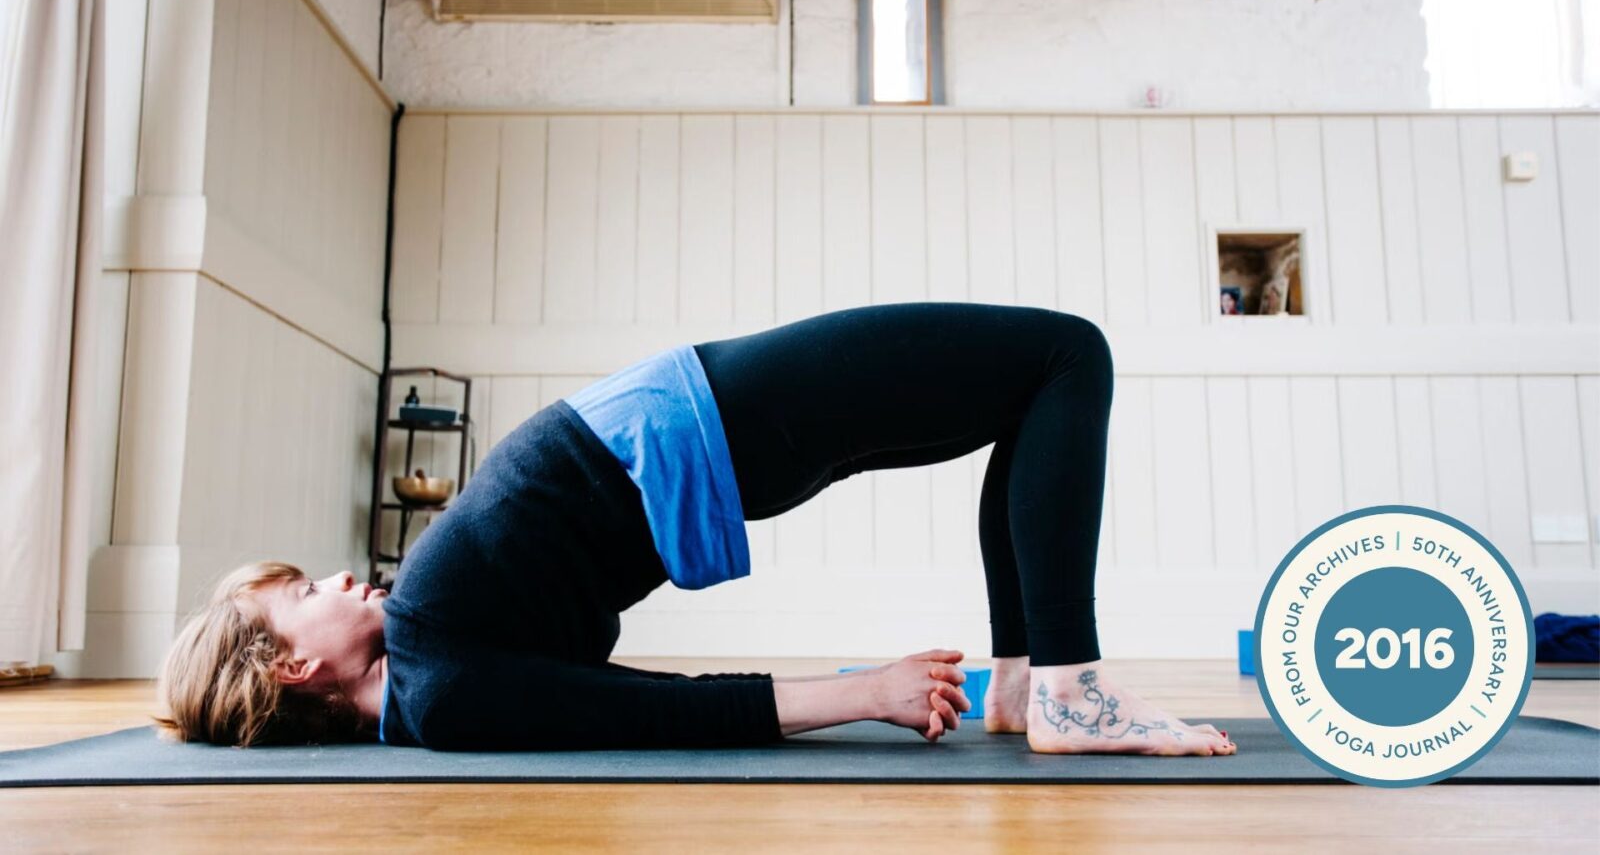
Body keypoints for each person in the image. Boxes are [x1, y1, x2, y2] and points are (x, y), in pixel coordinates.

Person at [154, 302, 1236, 757]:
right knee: (1064, 356)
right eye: (305, 595)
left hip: (699, 430)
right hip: (709, 423)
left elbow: (620, 708)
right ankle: (1067, 688)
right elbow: (651, 713)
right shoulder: (440, 678)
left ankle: (1029, 684)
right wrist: (867, 693)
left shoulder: (438, 668)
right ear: (293, 668)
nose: (338, 579)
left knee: (1031, 384)